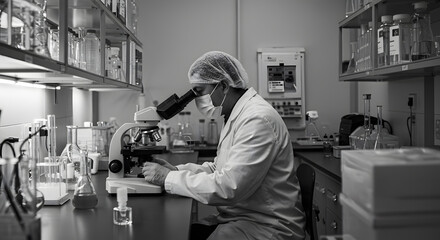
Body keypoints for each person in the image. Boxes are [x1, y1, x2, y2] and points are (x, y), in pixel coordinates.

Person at [142, 51, 306, 240]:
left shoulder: (257, 119)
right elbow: (219, 169)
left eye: (199, 91)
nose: (197, 100)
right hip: (247, 216)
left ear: (223, 86)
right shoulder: (238, 114)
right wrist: (175, 170)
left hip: (270, 226)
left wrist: (169, 178)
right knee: (191, 232)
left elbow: (229, 187)